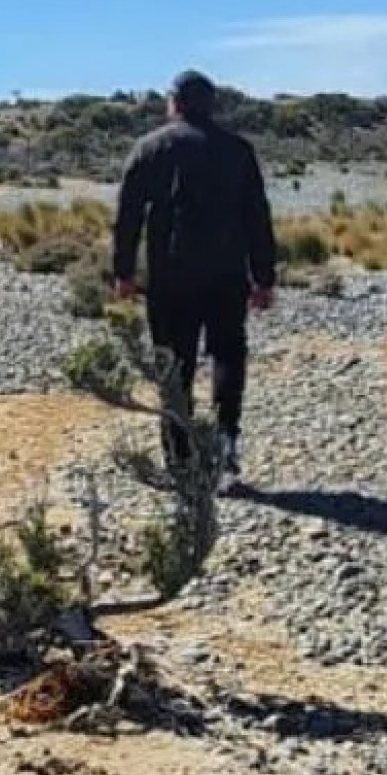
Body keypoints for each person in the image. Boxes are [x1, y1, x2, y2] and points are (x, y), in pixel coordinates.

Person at [111, 70, 277, 478]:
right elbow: (257, 217)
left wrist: (124, 272)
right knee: (227, 354)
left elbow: (128, 217)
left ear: (175, 104)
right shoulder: (237, 151)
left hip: (171, 278)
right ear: (211, 105)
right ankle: (225, 436)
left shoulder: (151, 148)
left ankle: (179, 453)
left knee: (174, 364)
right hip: (226, 275)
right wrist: (264, 276)